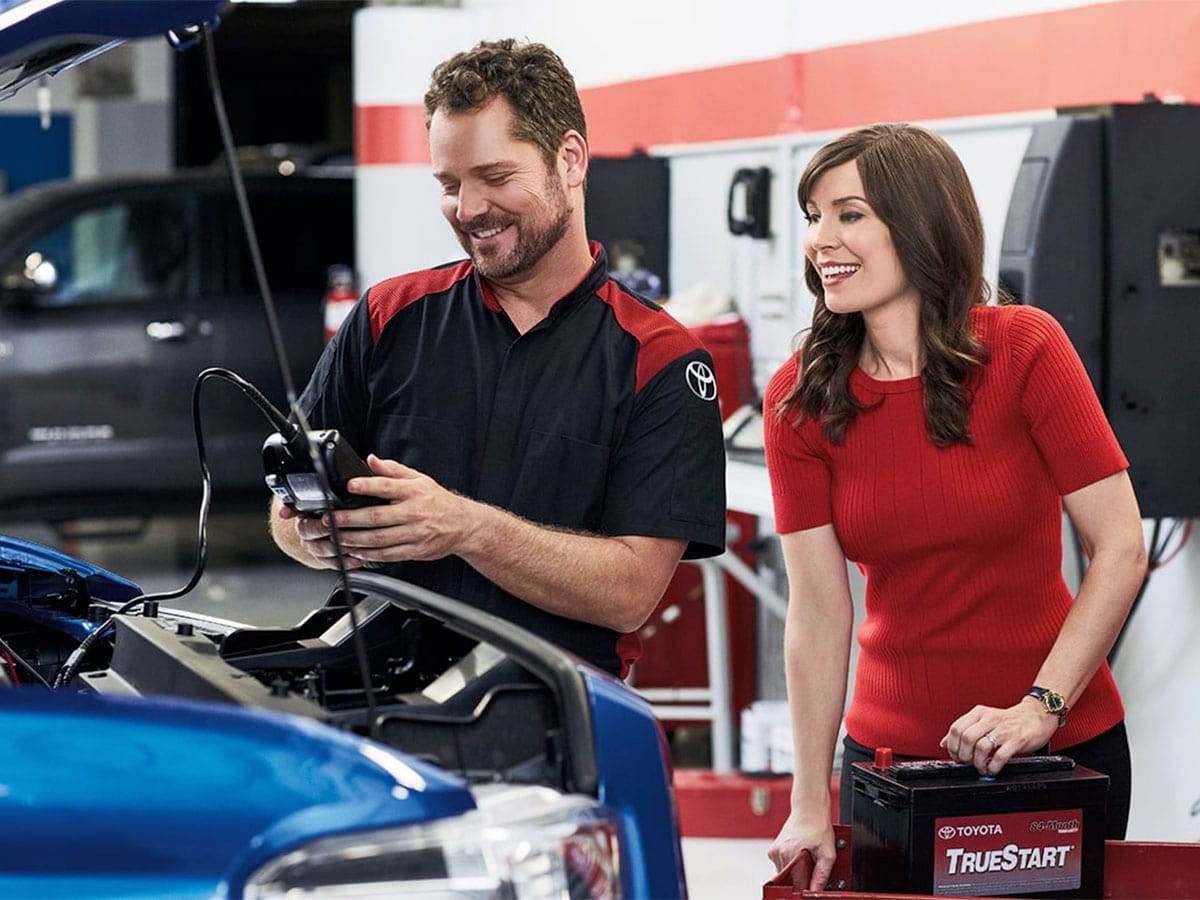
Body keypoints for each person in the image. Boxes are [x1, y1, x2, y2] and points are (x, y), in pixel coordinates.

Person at [762, 123, 1147, 890]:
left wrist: (1041, 707)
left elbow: (1122, 547)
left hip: (1060, 750)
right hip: (892, 765)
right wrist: (808, 800)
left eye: (849, 213)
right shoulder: (799, 401)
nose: (821, 239)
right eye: (812, 216)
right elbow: (816, 611)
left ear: (920, 221)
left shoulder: (1024, 349)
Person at [269, 38, 726, 679]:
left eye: (495, 177)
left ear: (568, 160)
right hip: (374, 700)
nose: (469, 208)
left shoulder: (662, 361)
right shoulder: (385, 317)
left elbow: (630, 594)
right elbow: (287, 517)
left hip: (547, 721)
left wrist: (467, 529)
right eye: (449, 184)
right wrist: (313, 537)